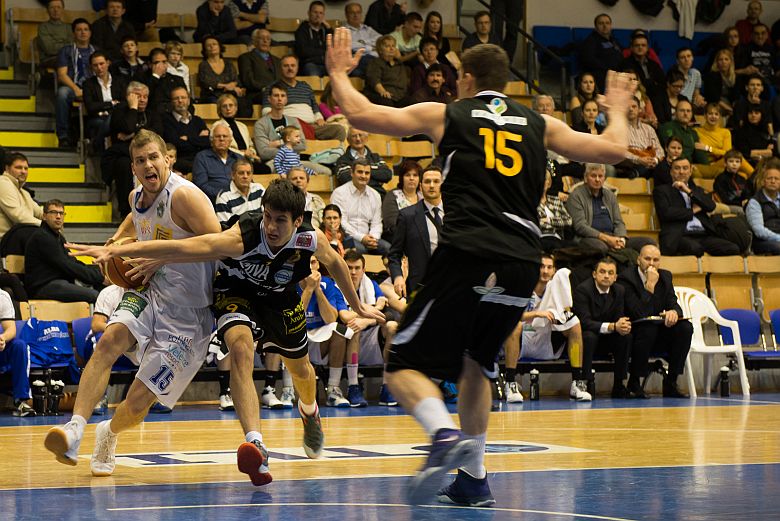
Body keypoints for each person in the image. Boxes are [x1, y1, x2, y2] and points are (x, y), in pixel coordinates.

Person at [326, 28, 635, 505]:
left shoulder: (448, 114)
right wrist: (616, 109)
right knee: (476, 364)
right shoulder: (540, 124)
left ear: (466, 79)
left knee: (402, 365)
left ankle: (442, 434)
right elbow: (614, 150)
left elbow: (364, 113)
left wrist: (337, 73)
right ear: (505, 82)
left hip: (468, 251)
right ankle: (474, 478)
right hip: (522, 262)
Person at [69, 178, 384, 485]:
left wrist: (356, 305)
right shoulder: (243, 235)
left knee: (301, 370)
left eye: (281, 221)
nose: (271, 226)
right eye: (268, 217)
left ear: (297, 221)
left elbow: (336, 264)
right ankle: (256, 442)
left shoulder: (310, 239)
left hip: (280, 297)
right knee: (241, 349)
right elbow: (192, 245)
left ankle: (309, 410)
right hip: (236, 291)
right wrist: (129, 251)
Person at [44, 129, 221, 476]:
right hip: (150, 291)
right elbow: (135, 218)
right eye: (140, 160)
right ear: (134, 168)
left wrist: (162, 256)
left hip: (189, 314)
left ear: (167, 159)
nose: (148, 165)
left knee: (139, 401)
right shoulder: (136, 195)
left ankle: (108, 433)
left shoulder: (185, 197)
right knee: (109, 340)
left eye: (153, 157)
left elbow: (219, 244)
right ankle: (74, 429)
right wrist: (115, 242)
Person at [502, 254, 591, 404]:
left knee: (574, 324)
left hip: (547, 340)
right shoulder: (523, 286)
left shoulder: (557, 288)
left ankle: (577, 383)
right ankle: (510, 383)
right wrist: (537, 313)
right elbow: (510, 315)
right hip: (523, 339)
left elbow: (566, 312)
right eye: (542, 267)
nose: (545, 271)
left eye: (549, 267)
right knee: (514, 325)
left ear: (554, 270)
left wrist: (562, 315)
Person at [618, 244, 692, 399]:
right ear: (638, 260)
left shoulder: (665, 276)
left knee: (685, 327)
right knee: (647, 328)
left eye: (655, 260)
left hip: (659, 332)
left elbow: (674, 303)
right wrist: (650, 286)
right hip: (635, 331)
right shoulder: (626, 278)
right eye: (647, 259)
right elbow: (638, 313)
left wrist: (673, 312)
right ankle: (634, 382)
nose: (651, 263)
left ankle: (671, 381)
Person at [340, 249, 397, 407]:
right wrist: (371, 309)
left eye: (357, 268)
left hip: (371, 336)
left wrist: (366, 321)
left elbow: (386, 314)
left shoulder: (371, 285)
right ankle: (353, 386)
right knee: (355, 328)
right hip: (345, 339)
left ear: (363, 269)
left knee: (392, 326)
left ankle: (387, 387)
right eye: (349, 268)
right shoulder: (337, 285)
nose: (353, 272)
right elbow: (343, 316)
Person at [653, 156, 741, 256]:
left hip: (703, 234)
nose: (681, 172)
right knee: (696, 249)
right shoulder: (661, 191)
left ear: (690, 171)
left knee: (732, 249)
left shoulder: (696, 190)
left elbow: (711, 206)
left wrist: (688, 192)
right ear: (671, 172)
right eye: (677, 168)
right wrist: (692, 211)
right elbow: (666, 213)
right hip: (680, 235)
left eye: (685, 168)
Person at [101, 81, 163, 217]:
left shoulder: (152, 113)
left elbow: (157, 133)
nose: (143, 100)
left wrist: (133, 135)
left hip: (147, 154)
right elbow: (128, 126)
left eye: (145, 96)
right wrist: (133, 108)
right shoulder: (119, 111)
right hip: (123, 154)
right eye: (138, 96)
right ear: (129, 96)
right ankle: (127, 211)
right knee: (124, 165)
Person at [25, 199, 105, 302]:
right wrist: (99, 278)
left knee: (101, 288)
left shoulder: (57, 237)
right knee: (94, 295)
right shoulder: (42, 237)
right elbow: (67, 265)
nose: (58, 216)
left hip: (58, 283)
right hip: (42, 286)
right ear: (44, 216)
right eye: (53, 212)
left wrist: (98, 273)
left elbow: (72, 261)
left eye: (61, 213)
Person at [573, 257, 631, 399]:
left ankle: (619, 384)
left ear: (615, 277)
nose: (606, 276)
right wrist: (612, 326)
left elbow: (619, 317)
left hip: (608, 337)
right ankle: (586, 382)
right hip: (589, 335)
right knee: (588, 336)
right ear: (594, 274)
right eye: (602, 272)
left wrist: (623, 325)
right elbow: (584, 322)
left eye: (610, 273)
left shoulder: (619, 290)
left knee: (626, 336)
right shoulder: (583, 290)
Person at [298, 255, 352, 408]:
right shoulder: (290, 283)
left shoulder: (328, 284)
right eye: (306, 262)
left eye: (313, 262)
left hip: (321, 335)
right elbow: (295, 317)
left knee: (339, 330)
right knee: (285, 332)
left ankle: (333, 389)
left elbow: (330, 319)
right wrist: (309, 289)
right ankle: (288, 391)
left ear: (318, 265)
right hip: (298, 333)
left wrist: (317, 290)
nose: (310, 266)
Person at [565, 163, 652, 255]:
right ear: (586, 177)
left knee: (648, 243)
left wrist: (621, 239)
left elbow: (618, 222)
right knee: (601, 248)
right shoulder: (576, 196)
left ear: (604, 178)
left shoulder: (610, 195)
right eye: (593, 176)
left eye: (600, 176)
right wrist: (607, 239)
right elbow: (580, 226)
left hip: (613, 237)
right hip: (589, 238)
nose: (597, 179)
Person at [261, 55, 347, 142]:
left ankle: (335, 150)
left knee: (339, 130)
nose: (290, 68)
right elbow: (266, 111)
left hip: (312, 126)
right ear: (280, 68)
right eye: (286, 66)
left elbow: (315, 107)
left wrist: (319, 118)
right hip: (290, 127)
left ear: (297, 68)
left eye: (293, 65)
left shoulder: (306, 87)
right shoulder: (273, 87)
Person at [253, 82, 330, 176]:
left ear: (286, 99)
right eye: (276, 95)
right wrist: (290, 147)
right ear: (269, 99)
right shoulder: (260, 124)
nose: (279, 99)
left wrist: (279, 143)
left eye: (283, 96)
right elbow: (263, 152)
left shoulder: (293, 121)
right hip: (275, 162)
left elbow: (302, 145)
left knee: (326, 172)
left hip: (295, 161)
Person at [388, 166, 442, 298]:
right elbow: (394, 254)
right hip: (420, 286)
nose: (431, 185)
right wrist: (398, 277)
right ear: (420, 186)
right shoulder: (407, 216)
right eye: (427, 181)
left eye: (436, 181)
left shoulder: (455, 214)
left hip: (450, 283)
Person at [330, 158, 389, 256]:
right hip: (345, 236)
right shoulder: (339, 193)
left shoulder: (375, 195)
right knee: (360, 250)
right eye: (360, 172)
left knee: (389, 249)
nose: (363, 176)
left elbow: (377, 223)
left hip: (369, 237)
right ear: (351, 173)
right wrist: (361, 238)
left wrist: (373, 238)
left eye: (367, 173)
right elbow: (341, 222)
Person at [55, 18, 96, 148]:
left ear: (90, 33)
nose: (83, 32)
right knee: (62, 93)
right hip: (73, 86)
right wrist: (76, 89)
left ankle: (95, 138)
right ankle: (63, 136)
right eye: (79, 30)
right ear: (73, 33)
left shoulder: (96, 51)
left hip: (93, 87)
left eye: (86, 29)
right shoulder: (66, 51)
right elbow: (62, 75)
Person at [82, 52, 127, 154]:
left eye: (101, 64)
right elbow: (90, 107)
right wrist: (111, 104)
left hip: (117, 117)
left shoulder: (119, 81)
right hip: (97, 118)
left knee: (113, 120)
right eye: (95, 65)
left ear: (108, 63)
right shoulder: (88, 84)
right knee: (108, 122)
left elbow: (124, 102)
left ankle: (96, 143)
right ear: (91, 67)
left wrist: (104, 106)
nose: (99, 68)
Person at [0, 288, 35, 417]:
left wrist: (3, 338)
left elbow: (11, 329)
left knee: (19, 346)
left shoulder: (2, 296)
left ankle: (21, 401)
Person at [162, 86, 210, 174]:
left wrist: (188, 139)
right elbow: (176, 145)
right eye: (176, 98)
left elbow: (208, 142)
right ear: (171, 102)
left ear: (188, 100)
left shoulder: (198, 120)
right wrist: (198, 139)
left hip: (201, 159)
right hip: (180, 162)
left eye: (183, 97)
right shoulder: (166, 121)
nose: (180, 101)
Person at [213, 92, 265, 173]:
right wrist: (243, 153)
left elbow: (251, 145)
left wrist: (251, 152)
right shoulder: (217, 126)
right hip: (230, 160)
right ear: (220, 109)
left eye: (231, 105)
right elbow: (222, 147)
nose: (228, 108)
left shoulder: (242, 126)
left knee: (265, 168)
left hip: (247, 159)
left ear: (236, 108)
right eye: (224, 106)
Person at [694, 103, 748, 179]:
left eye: (716, 114)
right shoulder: (696, 131)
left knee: (742, 173)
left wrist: (708, 148)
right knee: (737, 159)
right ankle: (757, 177)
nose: (713, 116)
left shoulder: (725, 132)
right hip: (706, 165)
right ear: (705, 116)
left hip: (721, 163)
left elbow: (727, 153)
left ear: (719, 117)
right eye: (710, 114)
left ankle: (757, 178)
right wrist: (718, 152)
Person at [334, 127, 393, 195]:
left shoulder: (375, 157)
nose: (358, 139)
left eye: (360, 135)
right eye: (354, 136)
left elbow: (387, 175)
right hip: (353, 197)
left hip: (378, 195)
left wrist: (361, 173)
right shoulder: (342, 160)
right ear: (348, 140)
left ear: (366, 138)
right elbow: (345, 178)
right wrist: (376, 180)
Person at [192, 121, 242, 202]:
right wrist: (224, 196)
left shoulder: (238, 158)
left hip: (239, 200)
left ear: (230, 140)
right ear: (211, 140)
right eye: (218, 136)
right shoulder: (202, 158)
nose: (221, 139)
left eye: (225, 136)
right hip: (213, 202)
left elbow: (248, 181)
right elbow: (201, 185)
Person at [198, 35, 247, 112]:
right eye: (208, 45)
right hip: (212, 95)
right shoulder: (203, 65)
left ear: (219, 47)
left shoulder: (228, 63)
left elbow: (235, 80)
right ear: (205, 49)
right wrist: (226, 86)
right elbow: (206, 82)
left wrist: (233, 86)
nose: (212, 47)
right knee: (217, 102)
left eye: (214, 44)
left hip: (229, 93)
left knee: (244, 103)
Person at [0, 153, 43, 240]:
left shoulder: (24, 192)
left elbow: (40, 212)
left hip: (17, 240)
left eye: (26, 168)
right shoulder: (3, 183)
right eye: (18, 167)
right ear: (7, 168)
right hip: (4, 241)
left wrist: (54, 216)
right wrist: (45, 226)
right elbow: (17, 215)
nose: (23, 171)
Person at [619, 96, 663, 178]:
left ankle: (638, 172)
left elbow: (659, 150)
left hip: (651, 163)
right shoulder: (618, 128)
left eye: (634, 106)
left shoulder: (649, 129)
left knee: (664, 167)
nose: (631, 109)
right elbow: (618, 151)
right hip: (630, 163)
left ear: (639, 109)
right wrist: (638, 159)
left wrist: (655, 160)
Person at [134, 48, 186, 116]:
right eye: (157, 63)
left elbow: (188, 103)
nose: (161, 66)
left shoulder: (178, 80)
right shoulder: (142, 79)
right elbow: (144, 97)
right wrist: (156, 76)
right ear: (150, 65)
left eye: (164, 62)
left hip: (175, 117)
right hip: (153, 117)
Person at [578, 13, 623, 92]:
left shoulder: (614, 41)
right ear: (596, 26)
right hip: (601, 75)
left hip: (617, 74)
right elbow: (589, 60)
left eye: (607, 23)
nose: (605, 26)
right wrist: (608, 70)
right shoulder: (591, 41)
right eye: (601, 23)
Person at [745, 157, 780, 254]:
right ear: (763, 181)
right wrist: (778, 237)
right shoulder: (754, 202)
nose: (773, 181)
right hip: (763, 241)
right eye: (769, 178)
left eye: (776, 179)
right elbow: (759, 231)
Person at [658, 99, 708, 165]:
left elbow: (699, 153)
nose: (685, 113)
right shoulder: (667, 127)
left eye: (688, 111)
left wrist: (707, 166)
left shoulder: (693, 133)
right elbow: (672, 152)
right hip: (674, 165)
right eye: (682, 110)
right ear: (675, 113)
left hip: (691, 166)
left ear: (692, 114)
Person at [214, 158, 265, 224]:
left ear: (252, 175)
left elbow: (267, 216)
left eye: (248, 173)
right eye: (241, 173)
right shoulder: (224, 198)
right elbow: (225, 227)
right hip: (237, 230)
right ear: (233, 175)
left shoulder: (259, 189)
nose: (245, 176)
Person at [364, 35, 409, 107]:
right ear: (380, 50)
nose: (391, 48)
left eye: (393, 46)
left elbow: (403, 83)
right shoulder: (375, 63)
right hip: (380, 95)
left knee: (412, 102)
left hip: (398, 96)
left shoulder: (399, 64)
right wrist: (383, 92)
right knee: (386, 102)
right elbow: (374, 80)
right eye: (387, 46)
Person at [239, 28, 280, 106]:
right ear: (254, 41)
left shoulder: (277, 60)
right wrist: (267, 88)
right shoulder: (245, 58)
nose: (265, 41)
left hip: (276, 94)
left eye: (268, 39)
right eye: (262, 38)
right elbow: (248, 80)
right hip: (257, 94)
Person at [382, 159, 420, 243]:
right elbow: (391, 223)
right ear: (402, 178)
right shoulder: (393, 196)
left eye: (415, 175)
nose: (411, 178)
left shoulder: (423, 196)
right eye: (407, 175)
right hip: (398, 238)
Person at [619, 32, 665, 100]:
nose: (640, 47)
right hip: (632, 99)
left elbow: (662, 84)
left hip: (654, 99)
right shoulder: (624, 64)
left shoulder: (654, 65)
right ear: (631, 47)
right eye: (637, 45)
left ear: (647, 48)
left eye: (643, 45)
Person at [537, 169, 573, 253]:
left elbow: (569, 221)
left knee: (576, 248)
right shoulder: (531, 201)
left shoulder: (555, 200)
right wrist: (558, 223)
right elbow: (536, 223)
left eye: (545, 179)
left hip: (557, 238)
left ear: (549, 183)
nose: (542, 182)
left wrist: (549, 220)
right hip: (540, 237)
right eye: (539, 179)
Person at [343, 2, 382, 78]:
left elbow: (381, 40)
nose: (356, 15)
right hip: (358, 60)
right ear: (346, 15)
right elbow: (351, 46)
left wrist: (362, 42)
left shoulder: (367, 29)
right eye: (352, 13)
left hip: (374, 59)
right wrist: (371, 47)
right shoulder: (343, 31)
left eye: (358, 12)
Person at [295, 1, 332, 77]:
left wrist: (329, 28)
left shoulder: (326, 30)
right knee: (313, 74)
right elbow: (304, 51)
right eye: (315, 12)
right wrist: (324, 52)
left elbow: (334, 47)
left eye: (321, 13)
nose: (318, 16)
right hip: (310, 64)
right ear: (309, 13)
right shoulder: (302, 30)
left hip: (327, 64)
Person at [37, 0, 73, 67]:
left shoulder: (68, 28)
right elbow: (50, 49)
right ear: (47, 10)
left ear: (62, 10)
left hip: (68, 58)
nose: (56, 10)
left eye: (58, 7)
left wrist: (56, 43)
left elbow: (72, 46)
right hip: (49, 60)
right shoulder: (43, 27)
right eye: (52, 7)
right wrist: (65, 44)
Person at [702, 48, 737, 116]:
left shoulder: (735, 77)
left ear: (730, 62)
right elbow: (713, 97)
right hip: (716, 104)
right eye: (721, 59)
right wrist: (729, 109)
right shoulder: (711, 76)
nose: (723, 62)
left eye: (726, 59)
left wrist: (735, 108)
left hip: (729, 104)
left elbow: (736, 96)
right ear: (717, 62)